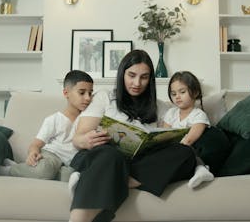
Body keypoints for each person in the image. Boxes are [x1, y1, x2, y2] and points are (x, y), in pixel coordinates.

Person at [68, 49, 196, 222]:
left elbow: (171, 139)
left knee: (186, 153)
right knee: (111, 155)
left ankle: (120, 180)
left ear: (150, 79)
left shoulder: (161, 107)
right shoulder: (105, 97)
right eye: (132, 75)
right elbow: (78, 138)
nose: (137, 82)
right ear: (122, 74)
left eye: (144, 77)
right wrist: (86, 140)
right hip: (103, 156)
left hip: (137, 163)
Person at [0, 70, 93, 181]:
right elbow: (36, 144)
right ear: (66, 93)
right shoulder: (54, 119)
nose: (88, 98)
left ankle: (26, 169)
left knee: (69, 176)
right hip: (51, 156)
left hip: (69, 163)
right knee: (46, 170)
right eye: (82, 93)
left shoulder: (89, 121)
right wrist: (33, 153)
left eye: (90, 93)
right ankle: (10, 169)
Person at [163, 71, 215, 189]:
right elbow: (164, 134)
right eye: (173, 93)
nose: (177, 96)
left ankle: (201, 169)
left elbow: (190, 139)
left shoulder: (198, 115)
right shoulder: (171, 113)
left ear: (195, 92)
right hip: (171, 148)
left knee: (188, 150)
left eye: (182, 92)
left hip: (187, 149)